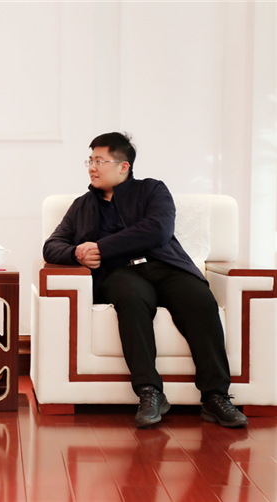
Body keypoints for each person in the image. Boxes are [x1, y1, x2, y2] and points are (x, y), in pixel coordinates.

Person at [43, 132, 247, 429]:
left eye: (99, 161)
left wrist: (101, 247)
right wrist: (76, 253)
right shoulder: (82, 205)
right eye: (90, 161)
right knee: (132, 299)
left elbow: (157, 230)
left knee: (200, 300)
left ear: (123, 166)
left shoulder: (152, 190)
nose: (92, 168)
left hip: (166, 266)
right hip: (119, 273)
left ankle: (215, 396)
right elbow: (51, 246)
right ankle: (150, 392)